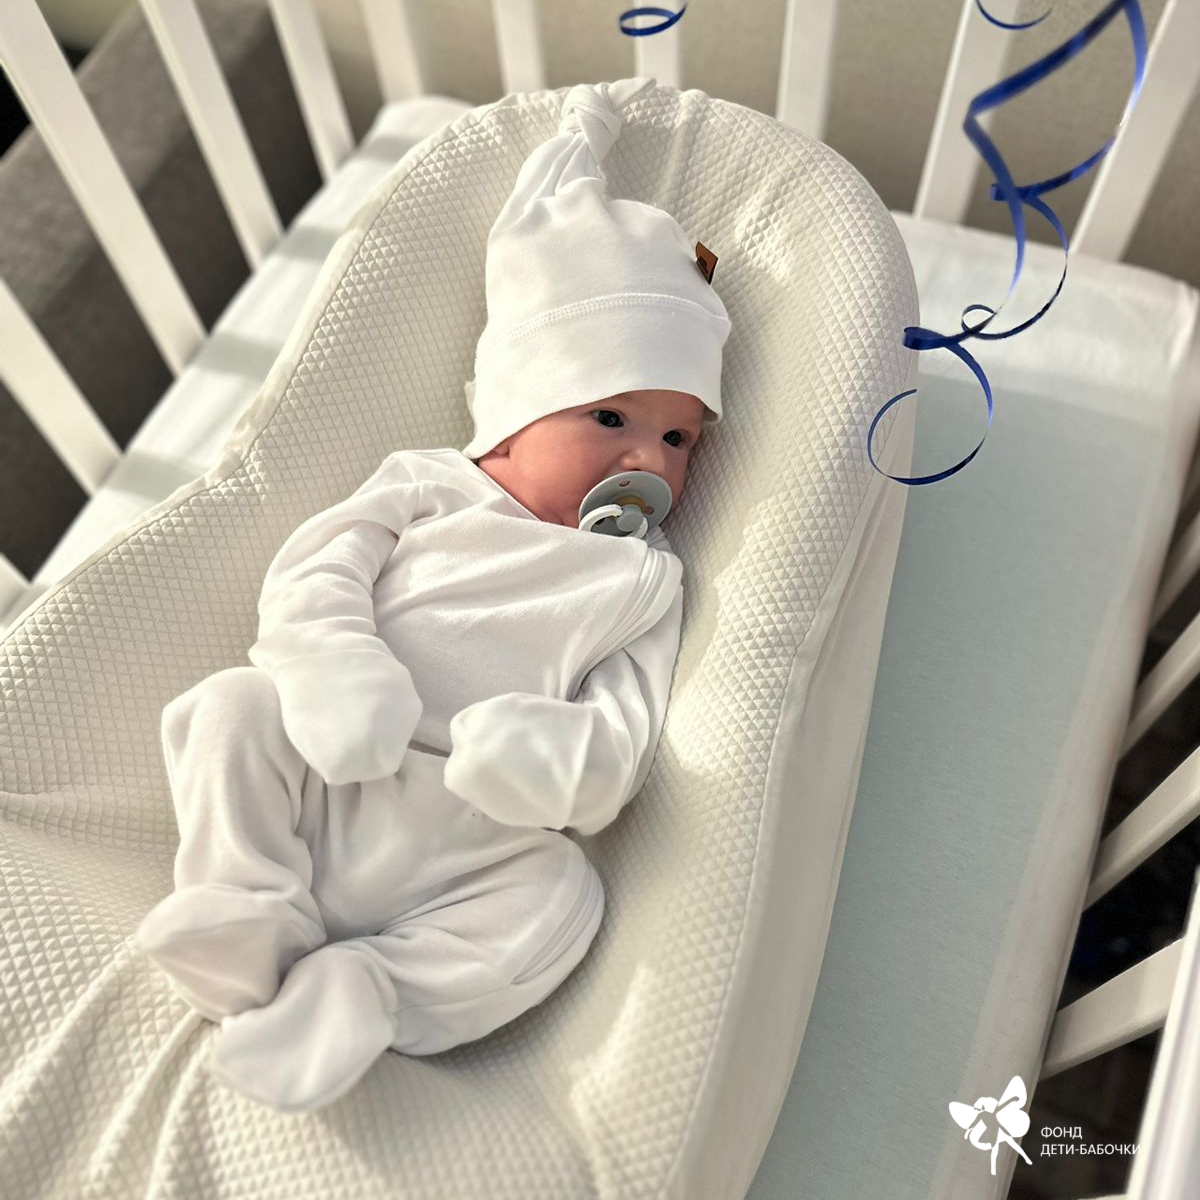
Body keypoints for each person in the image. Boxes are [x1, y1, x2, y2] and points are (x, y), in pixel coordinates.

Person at [133, 75, 731, 1112]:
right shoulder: (429, 483)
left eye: (679, 437)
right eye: (612, 418)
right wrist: (335, 669)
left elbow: (626, 729)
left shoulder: (641, 577)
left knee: (562, 896)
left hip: (473, 832)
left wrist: (550, 762)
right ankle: (244, 904)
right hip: (330, 766)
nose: (651, 459)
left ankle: (370, 990)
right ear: (518, 408)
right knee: (229, 709)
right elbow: (318, 567)